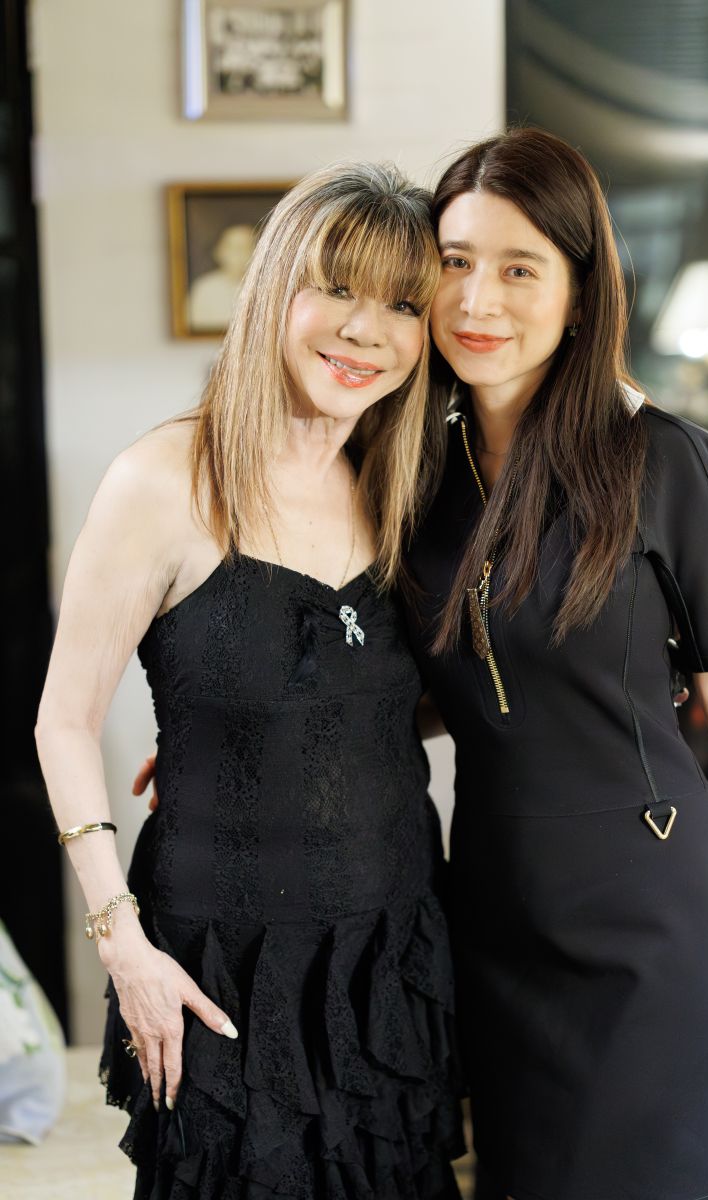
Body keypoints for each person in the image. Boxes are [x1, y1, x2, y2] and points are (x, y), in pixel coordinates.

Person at [35, 163, 464, 1199]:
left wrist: (257, 730)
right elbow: (62, 723)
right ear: (274, 287)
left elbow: (387, 700)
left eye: (403, 306)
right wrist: (120, 942)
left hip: (390, 948)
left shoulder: (404, 484)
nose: (365, 331)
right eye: (337, 289)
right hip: (220, 962)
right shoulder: (162, 480)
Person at [401, 128, 708, 1200]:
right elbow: (457, 682)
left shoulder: (659, 457)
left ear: (580, 294)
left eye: (518, 269)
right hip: (494, 904)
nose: (475, 300)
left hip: (647, 908)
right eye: (454, 261)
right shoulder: (415, 475)